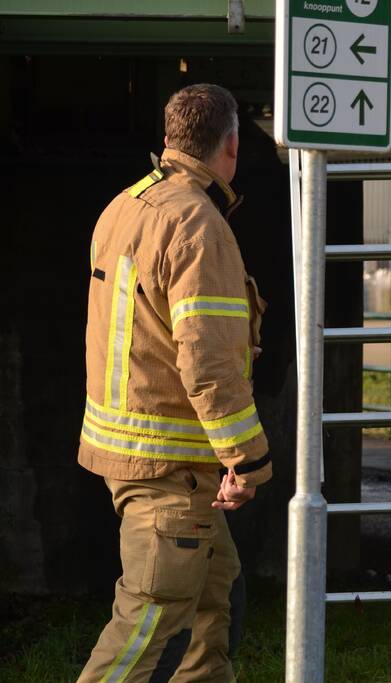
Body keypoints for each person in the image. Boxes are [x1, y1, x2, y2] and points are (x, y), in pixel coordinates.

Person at [77, 83, 271, 682]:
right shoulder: (197, 224)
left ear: (169, 140)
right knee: (147, 628)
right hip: (173, 470)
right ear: (231, 146)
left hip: (138, 455)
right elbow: (208, 364)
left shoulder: (124, 206)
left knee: (212, 610)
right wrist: (248, 460)